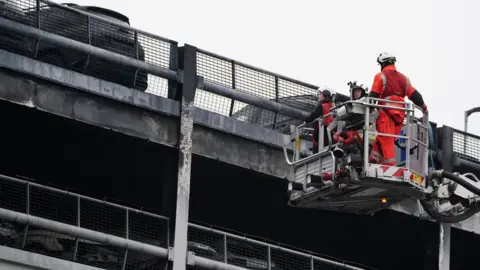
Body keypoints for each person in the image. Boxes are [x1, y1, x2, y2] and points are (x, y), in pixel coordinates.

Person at [367, 52, 428, 165]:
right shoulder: (404, 79)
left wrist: (368, 110)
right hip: (399, 117)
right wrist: (424, 107)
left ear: (382, 63)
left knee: (387, 141)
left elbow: (373, 97)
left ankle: (391, 166)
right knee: (383, 139)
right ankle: (374, 159)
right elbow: (415, 95)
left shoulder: (380, 76)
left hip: (386, 116)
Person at [305, 87, 335, 154]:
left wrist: (306, 121)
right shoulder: (333, 108)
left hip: (321, 135)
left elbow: (313, 115)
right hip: (331, 135)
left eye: (320, 94)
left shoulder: (322, 106)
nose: (319, 95)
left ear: (325, 96)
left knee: (316, 154)